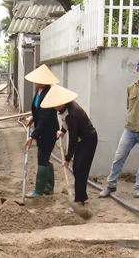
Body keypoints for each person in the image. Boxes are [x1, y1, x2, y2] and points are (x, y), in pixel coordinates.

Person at [99, 58, 139, 199]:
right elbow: (129, 107)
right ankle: (110, 185)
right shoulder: (131, 88)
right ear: (137, 71)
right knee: (119, 157)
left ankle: (138, 188)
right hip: (129, 130)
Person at [41, 85, 98, 214]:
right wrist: (62, 131)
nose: (54, 107)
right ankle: (83, 196)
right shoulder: (63, 110)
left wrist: (67, 159)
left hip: (87, 140)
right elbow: (66, 124)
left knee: (80, 169)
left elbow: (73, 138)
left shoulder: (73, 113)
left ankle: (78, 202)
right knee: (78, 169)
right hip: (80, 139)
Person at [23, 64, 60, 198]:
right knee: (44, 156)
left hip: (48, 131)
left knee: (42, 158)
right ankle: (49, 187)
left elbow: (44, 118)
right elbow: (37, 110)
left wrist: (32, 136)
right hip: (41, 129)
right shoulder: (39, 90)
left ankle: (39, 191)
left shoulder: (48, 93)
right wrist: (32, 116)